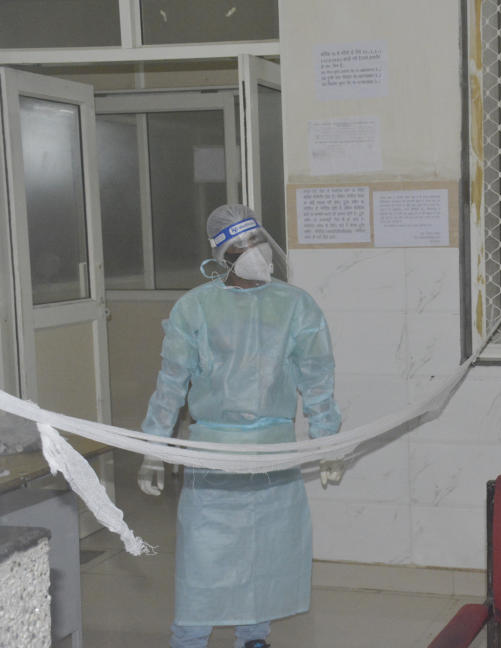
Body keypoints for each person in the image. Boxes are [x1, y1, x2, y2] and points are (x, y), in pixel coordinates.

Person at [137, 204, 342, 648]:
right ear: (222, 257)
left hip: (275, 453)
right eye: (245, 248)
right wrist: (154, 448)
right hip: (215, 455)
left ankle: (254, 636)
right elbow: (170, 386)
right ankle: (189, 637)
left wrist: (328, 442)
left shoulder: (296, 306)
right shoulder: (194, 309)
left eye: (260, 245)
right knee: (204, 556)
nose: (258, 256)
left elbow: (318, 382)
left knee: (268, 551)